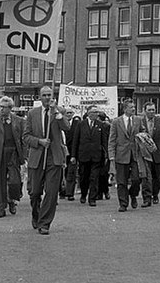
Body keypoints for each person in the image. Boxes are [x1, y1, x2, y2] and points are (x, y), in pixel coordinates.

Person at [23, 86, 70, 235]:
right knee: (35, 192)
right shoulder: (32, 114)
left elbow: (67, 127)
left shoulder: (58, 112)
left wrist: (57, 113)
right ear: (39, 97)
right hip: (37, 157)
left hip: (54, 158)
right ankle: (36, 215)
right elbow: (26, 137)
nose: (47, 98)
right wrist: (39, 141)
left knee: (51, 192)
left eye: (49, 95)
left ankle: (45, 223)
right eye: (44, 95)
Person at [0, 96, 25, 218]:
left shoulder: (19, 121)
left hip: (13, 154)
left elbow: (24, 139)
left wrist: (24, 156)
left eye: (4, 107)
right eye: (0, 107)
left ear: (10, 108)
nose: (1, 109)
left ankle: (12, 200)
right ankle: (1, 207)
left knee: (15, 181)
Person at [108, 98, 144, 212]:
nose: (133, 109)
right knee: (121, 181)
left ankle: (133, 195)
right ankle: (123, 203)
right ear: (124, 109)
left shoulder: (138, 120)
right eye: (131, 107)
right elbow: (112, 139)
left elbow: (143, 134)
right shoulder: (116, 122)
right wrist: (111, 155)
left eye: (134, 107)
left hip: (135, 154)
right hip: (121, 154)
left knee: (136, 179)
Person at [71, 105, 104, 207]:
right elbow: (75, 141)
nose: (95, 114)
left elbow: (104, 140)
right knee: (84, 177)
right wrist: (73, 155)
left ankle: (92, 198)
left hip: (96, 155)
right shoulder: (81, 124)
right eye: (93, 112)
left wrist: (105, 154)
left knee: (94, 177)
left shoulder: (101, 125)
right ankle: (84, 194)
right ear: (88, 113)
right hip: (84, 155)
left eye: (96, 112)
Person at [141, 101, 160, 206]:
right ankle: (146, 198)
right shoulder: (140, 121)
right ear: (145, 111)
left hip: (158, 153)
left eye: (153, 109)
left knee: (157, 176)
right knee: (146, 177)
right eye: (149, 110)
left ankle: (155, 194)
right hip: (145, 154)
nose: (152, 112)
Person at [63, 109, 80, 201]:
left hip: (72, 152)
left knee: (71, 172)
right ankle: (62, 191)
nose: (69, 114)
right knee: (62, 172)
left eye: (70, 113)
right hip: (62, 152)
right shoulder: (60, 122)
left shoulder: (77, 124)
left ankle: (70, 193)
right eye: (67, 113)